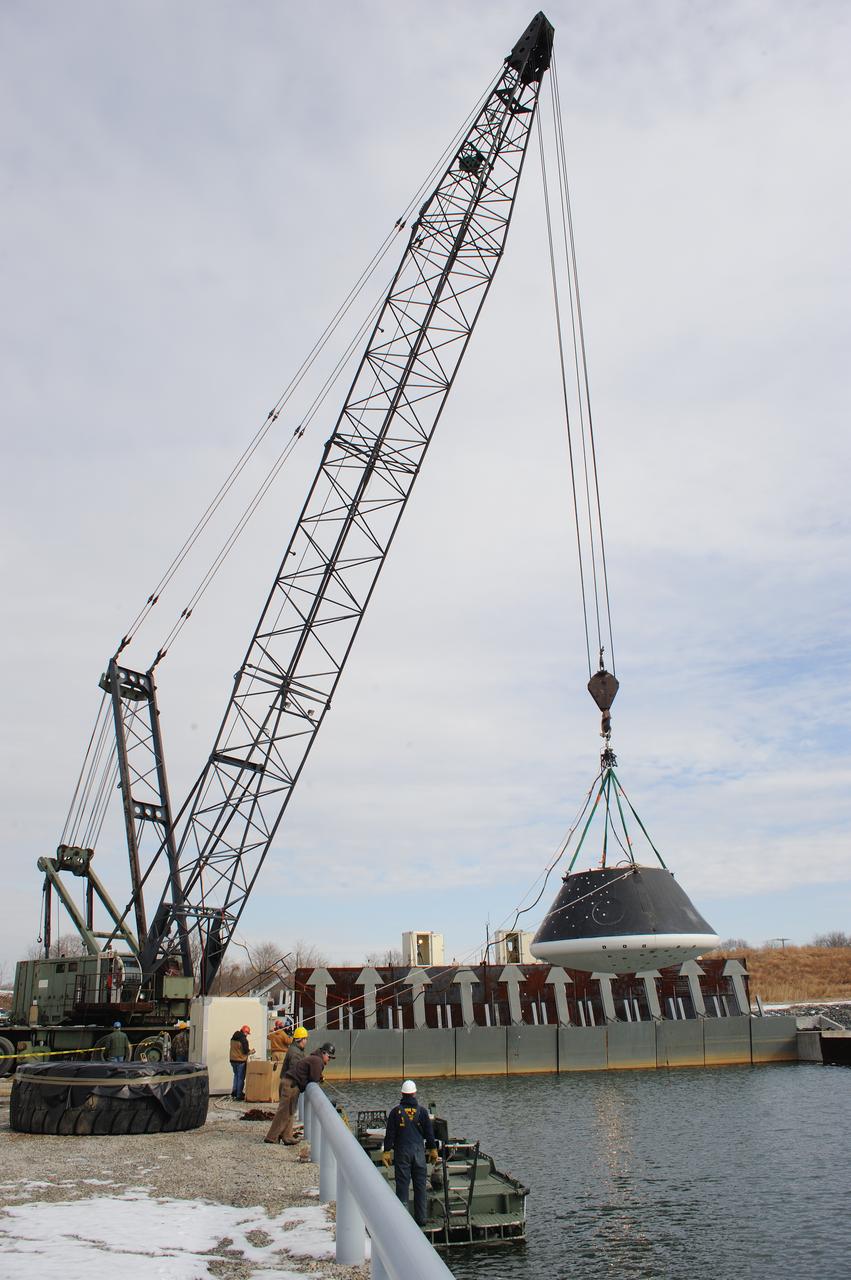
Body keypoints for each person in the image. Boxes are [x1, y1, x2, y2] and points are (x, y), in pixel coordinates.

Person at [382, 1080, 439, 1228]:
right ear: (414, 1093)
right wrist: (433, 1149)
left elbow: (390, 1134)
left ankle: (403, 1221)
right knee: (420, 1186)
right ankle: (421, 1219)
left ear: (402, 1093)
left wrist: (387, 1151)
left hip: (402, 1153)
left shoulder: (396, 1112)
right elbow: (429, 1134)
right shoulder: (423, 1112)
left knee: (402, 1185)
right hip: (419, 1153)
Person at [264, 1041, 335, 1145]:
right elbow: (314, 1078)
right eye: (329, 1057)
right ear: (324, 1053)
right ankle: (271, 1137)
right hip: (291, 1085)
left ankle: (287, 1137)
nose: (329, 1060)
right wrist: (320, 1078)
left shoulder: (315, 1058)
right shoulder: (317, 1061)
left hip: (290, 1083)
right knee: (284, 1112)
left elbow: (312, 1074)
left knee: (290, 1112)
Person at [229, 1025, 254, 1099]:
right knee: (240, 1078)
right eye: (247, 1033)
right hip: (240, 1061)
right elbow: (245, 1051)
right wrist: (252, 1051)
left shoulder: (233, 1037)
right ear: (245, 1032)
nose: (247, 1035)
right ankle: (239, 1095)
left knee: (236, 1076)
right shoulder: (244, 1040)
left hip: (232, 1060)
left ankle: (234, 1092)